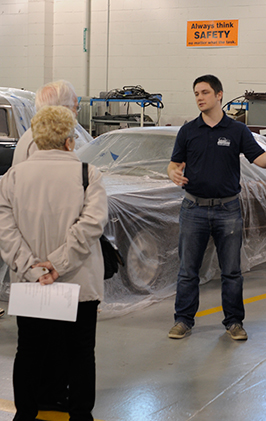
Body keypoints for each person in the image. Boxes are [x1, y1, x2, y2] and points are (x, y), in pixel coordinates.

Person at [167, 74, 266, 341]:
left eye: (205, 92)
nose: (199, 98)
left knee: (231, 271)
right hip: (193, 209)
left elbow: (262, 161)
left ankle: (234, 322)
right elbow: (174, 163)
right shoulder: (188, 131)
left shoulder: (237, 131)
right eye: (196, 93)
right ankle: (183, 320)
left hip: (227, 210)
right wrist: (172, 172)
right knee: (187, 271)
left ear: (219, 95)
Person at [0, 106, 108, 421]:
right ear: (69, 141)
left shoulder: (13, 177)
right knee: (80, 354)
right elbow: (92, 225)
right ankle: (79, 414)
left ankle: (26, 414)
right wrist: (58, 264)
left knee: (30, 351)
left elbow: (5, 231)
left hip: (32, 286)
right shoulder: (89, 175)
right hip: (79, 285)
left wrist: (34, 269)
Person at [12, 79, 92, 166]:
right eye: (75, 108)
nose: (76, 113)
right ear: (63, 109)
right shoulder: (46, 139)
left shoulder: (42, 132)